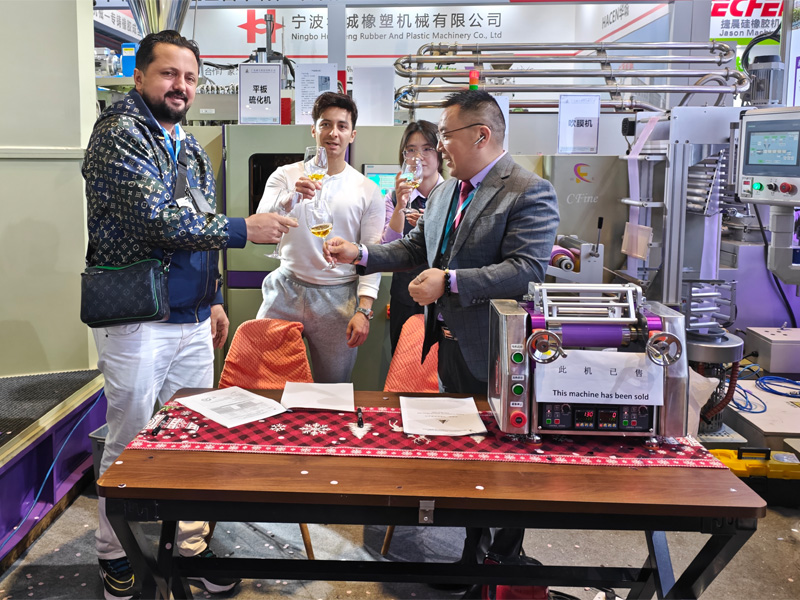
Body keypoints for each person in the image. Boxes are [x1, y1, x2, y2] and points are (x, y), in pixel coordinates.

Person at [83, 30, 295, 600]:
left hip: (193, 318)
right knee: (130, 436)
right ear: (139, 77)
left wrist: (216, 296)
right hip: (138, 318)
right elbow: (155, 219)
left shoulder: (191, 146)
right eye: (169, 74)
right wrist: (243, 228)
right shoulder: (119, 136)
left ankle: (190, 545)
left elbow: (199, 227)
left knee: (194, 435)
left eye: (190, 78)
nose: (181, 86)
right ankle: (113, 550)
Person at [325, 90, 559, 578]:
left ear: (481, 135)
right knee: (465, 454)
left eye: (446, 136)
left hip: (499, 351)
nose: (439, 147)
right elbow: (416, 247)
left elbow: (527, 269)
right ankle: (470, 553)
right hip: (450, 346)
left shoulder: (528, 190)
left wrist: (450, 281)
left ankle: (503, 561)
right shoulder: (448, 192)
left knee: (506, 456)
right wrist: (361, 254)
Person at [255, 92, 384, 383]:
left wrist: (364, 310)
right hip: (285, 288)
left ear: (352, 135)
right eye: (325, 124)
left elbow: (372, 255)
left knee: (333, 387)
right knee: (266, 379)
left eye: (341, 126)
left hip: (338, 296)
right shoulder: (285, 175)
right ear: (313, 130)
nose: (333, 133)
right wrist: (290, 197)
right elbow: (261, 222)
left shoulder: (367, 190)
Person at [382, 120, 445, 353]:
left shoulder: (455, 194)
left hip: (444, 298)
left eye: (427, 148)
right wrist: (400, 205)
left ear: (440, 153)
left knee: (442, 364)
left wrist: (430, 225)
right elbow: (388, 248)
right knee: (403, 361)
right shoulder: (393, 197)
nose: (419, 157)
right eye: (411, 150)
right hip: (405, 296)